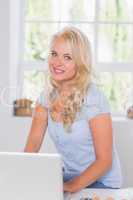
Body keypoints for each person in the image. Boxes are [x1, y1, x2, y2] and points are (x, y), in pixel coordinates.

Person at [24, 26, 122, 193]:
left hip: (101, 183)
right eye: (54, 54)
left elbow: (104, 161)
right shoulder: (45, 99)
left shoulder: (95, 100)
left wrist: (69, 187)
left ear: (80, 62)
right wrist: (18, 174)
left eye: (67, 57)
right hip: (67, 177)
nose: (57, 62)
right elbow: (32, 147)